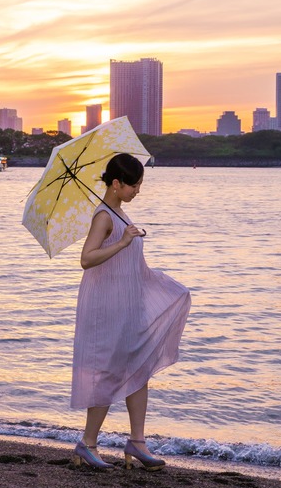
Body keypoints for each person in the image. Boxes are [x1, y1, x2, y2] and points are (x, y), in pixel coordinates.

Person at [70, 153, 191, 471]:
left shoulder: (120, 215)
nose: (138, 190)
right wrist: (123, 242)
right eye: (134, 185)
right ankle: (88, 443)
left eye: (140, 184)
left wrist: (161, 283)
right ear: (116, 183)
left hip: (127, 303)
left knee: (138, 367)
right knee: (107, 371)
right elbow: (87, 258)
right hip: (105, 306)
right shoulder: (104, 217)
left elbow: (130, 266)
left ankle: (137, 442)